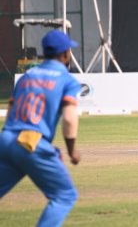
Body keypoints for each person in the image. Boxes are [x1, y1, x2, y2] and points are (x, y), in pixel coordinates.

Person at [0, 30, 82, 226]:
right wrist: (72, 152)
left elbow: (11, 111)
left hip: (6, 139)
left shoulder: (27, 77)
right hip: (30, 142)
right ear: (65, 54)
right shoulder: (67, 80)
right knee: (65, 195)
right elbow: (70, 120)